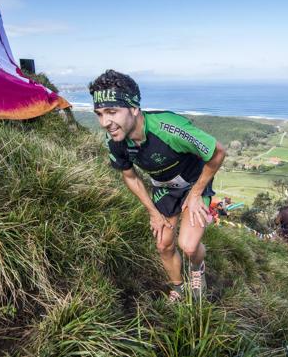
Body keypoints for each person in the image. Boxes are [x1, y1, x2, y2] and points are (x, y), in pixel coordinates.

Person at [90, 70, 226, 302]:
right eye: (100, 114)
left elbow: (218, 152)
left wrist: (195, 194)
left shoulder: (168, 128)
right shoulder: (116, 142)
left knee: (189, 245)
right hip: (164, 186)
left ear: (134, 108)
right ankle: (178, 288)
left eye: (112, 112)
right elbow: (130, 176)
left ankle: (197, 269)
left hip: (194, 182)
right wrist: (153, 212)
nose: (105, 123)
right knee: (163, 245)